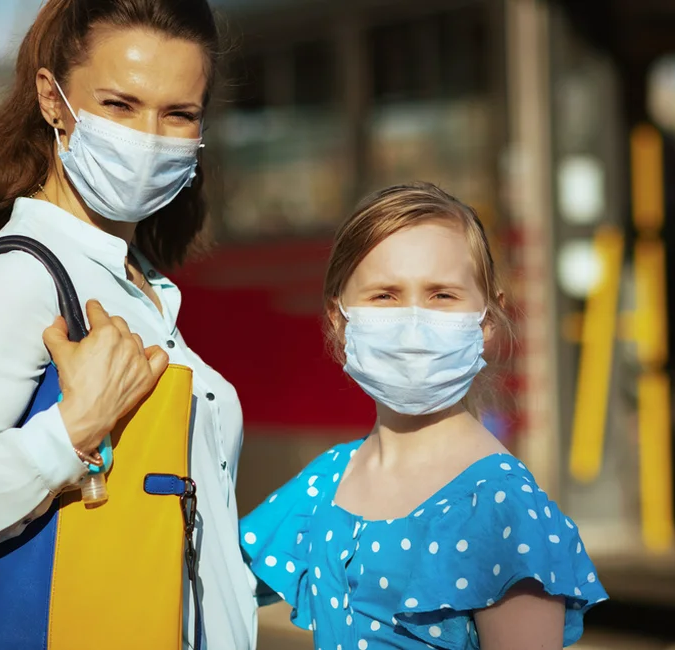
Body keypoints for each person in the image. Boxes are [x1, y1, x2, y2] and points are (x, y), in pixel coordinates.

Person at [0, 0, 257, 647]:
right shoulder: (16, 279)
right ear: (53, 100)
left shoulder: (134, 278)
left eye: (179, 113)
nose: (150, 137)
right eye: (120, 105)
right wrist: (72, 433)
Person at [240, 183, 608, 649]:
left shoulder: (504, 509)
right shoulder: (325, 483)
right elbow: (204, 574)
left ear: (486, 321)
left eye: (441, 295)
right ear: (338, 319)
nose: (413, 323)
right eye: (385, 296)